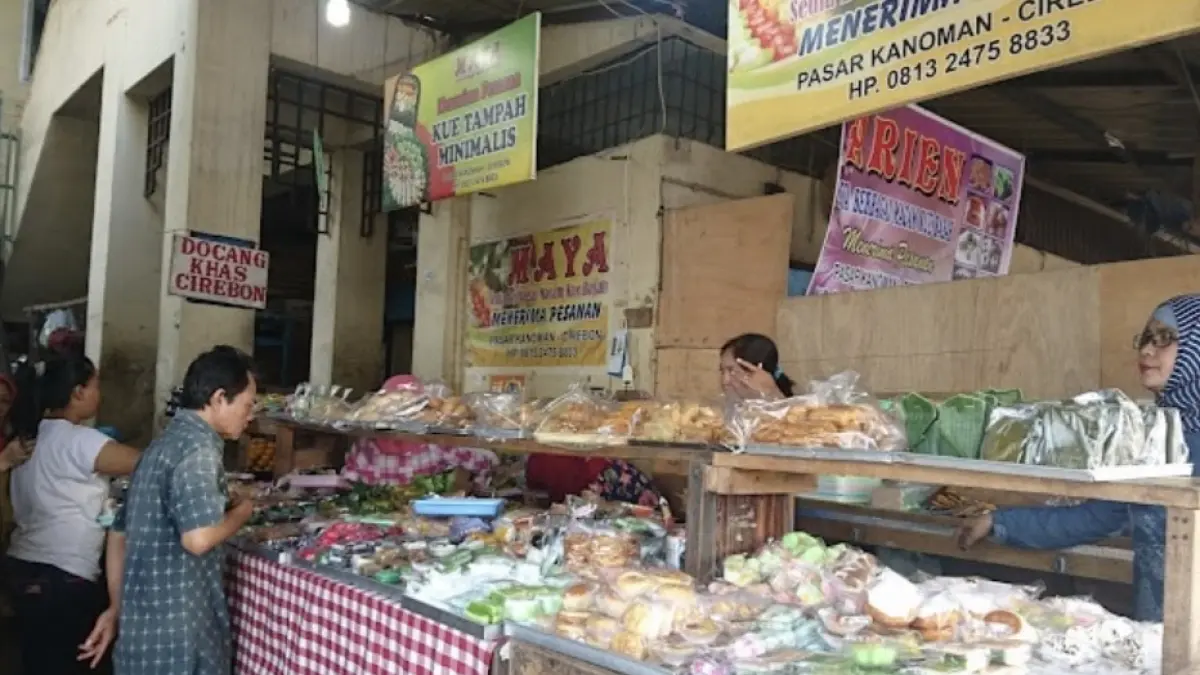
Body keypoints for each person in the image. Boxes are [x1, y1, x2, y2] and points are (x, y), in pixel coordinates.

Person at [957, 294, 1200, 621]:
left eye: (1164, 338)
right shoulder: (1158, 433)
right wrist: (1000, 522)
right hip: (1165, 628)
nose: (1146, 350)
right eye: (1145, 338)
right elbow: (1103, 516)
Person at [108, 346, 258, 675]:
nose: (250, 416)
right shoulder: (199, 450)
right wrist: (241, 512)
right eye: (247, 405)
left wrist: (117, 607)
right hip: (179, 637)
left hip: (140, 631)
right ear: (219, 398)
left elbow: (118, 532)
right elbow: (198, 539)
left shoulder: (160, 445)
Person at [5, 354, 141, 674]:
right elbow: (148, 464)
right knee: (69, 661)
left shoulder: (28, 438)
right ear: (78, 392)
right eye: (96, 386)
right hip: (63, 575)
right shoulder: (79, 440)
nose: (99, 394)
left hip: (22, 566)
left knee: (38, 659)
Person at [342, 374, 499, 490]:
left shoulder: (366, 446)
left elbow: (349, 479)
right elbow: (486, 462)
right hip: (425, 512)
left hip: (379, 512)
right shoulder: (435, 445)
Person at [720, 333, 795, 399]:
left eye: (731, 371)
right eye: (722, 371)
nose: (725, 381)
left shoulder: (796, 406)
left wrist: (772, 394)